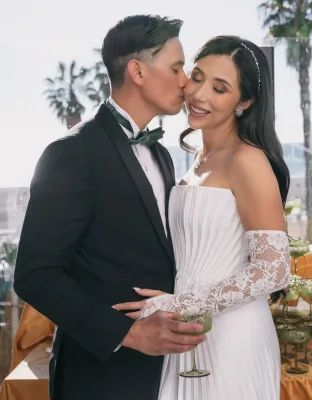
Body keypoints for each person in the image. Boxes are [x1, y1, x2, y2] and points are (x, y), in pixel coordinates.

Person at [13, 15, 206, 400]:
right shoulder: (71, 153)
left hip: (162, 372)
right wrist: (130, 334)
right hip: (98, 376)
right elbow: (34, 274)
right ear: (137, 70)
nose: (186, 80)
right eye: (176, 67)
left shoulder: (161, 154)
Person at [114, 36, 291, 400]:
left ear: (245, 102)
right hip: (188, 331)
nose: (199, 94)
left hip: (232, 338)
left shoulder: (247, 160)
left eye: (220, 88)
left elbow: (274, 270)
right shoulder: (198, 159)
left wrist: (177, 304)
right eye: (197, 77)